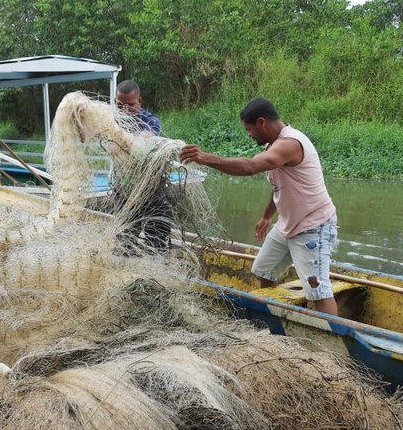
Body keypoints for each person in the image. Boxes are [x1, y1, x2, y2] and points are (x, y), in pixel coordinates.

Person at [179, 97, 339, 315]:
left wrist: (204, 158)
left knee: (318, 290)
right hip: (288, 223)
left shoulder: (290, 144)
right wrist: (266, 217)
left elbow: (251, 166)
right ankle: (272, 317)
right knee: (264, 269)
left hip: (313, 224)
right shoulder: (272, 145)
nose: (249, 134)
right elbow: (279, 186)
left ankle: (332, 340)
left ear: (262, 122)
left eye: (249, 129)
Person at [114, 80, 172, 253]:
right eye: (119, 105)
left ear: (140, 101)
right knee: (124, 242)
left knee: (157, 242)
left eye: (130, 105)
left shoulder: (150, 121)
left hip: (152, 192)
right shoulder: (112, 120)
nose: (124, 110)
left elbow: (146, 138)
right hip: (124, 191)